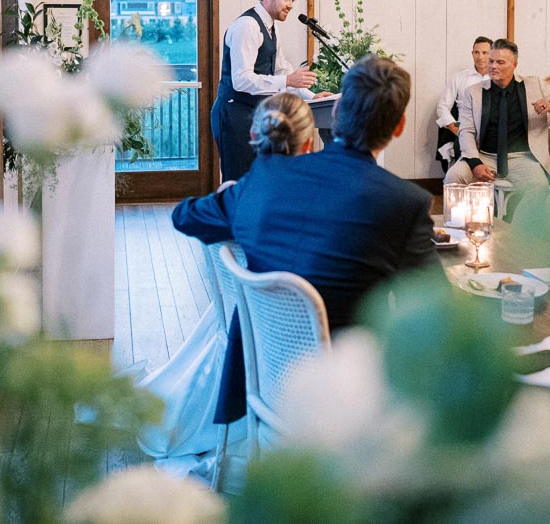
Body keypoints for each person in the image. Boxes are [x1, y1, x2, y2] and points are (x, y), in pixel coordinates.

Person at [174, 56, 437, 423]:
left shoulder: (266, 180)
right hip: (350, 397)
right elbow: (436, 309)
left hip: (264, 379)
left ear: (337, 111)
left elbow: (184, 216)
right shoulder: (404, 202)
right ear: (399, 127)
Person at [137, 93, 315, 468]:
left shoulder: (244, 194)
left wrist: (225, 194)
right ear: (310, 142)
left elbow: (185, 216)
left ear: (253, 135)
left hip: (254, 334)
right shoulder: (322, 196)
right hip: (310, 343)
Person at [445, 38, 550, 220]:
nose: (493, 66)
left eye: (500, 62)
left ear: (514, 65)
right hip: (484, 155)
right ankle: (459, 227)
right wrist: (475, 163)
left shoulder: (534, 85)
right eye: (491, 61)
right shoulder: (473, 92)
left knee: (539, 186)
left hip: (522, 157)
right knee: (454, 176)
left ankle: (516, 231)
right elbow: (466, 131)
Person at [210, 0, 325, 182]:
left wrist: (311, 96)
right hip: (234, 115)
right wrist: (288, 80)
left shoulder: (272, 27)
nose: (290, 5)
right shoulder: (247, 26)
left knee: (259, 180)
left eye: (293, 0)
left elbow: (281, 70)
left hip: (256, 114)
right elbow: (242, 79)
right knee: (239, 182)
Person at [433, 36, 492, 172]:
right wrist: (457, 129)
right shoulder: (460, 78)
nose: (480, 57)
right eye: (476, 52)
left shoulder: (497, 78)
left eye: (485, 53)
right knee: (463, 151)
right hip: (464, 127)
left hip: (491, 129)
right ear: (472, 54)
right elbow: (442, 107)